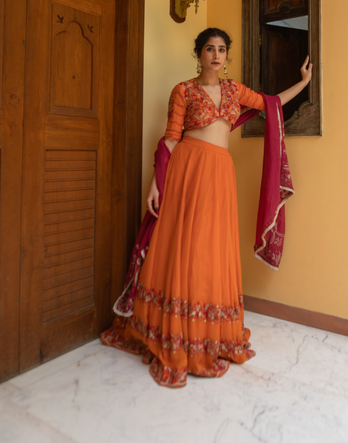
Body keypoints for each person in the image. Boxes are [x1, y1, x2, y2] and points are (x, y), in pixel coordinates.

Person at [101, 27, 312, 389]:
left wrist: (303, 84)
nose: (216, 55)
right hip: (187, 170)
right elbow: (170, 138)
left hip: (219, 173)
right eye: (210, 49)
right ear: (198, 54)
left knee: (211, 248)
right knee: (184, 246)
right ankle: (173, 328)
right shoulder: (182, 90)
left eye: (222, 49)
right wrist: (156, 182)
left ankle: (207, 329)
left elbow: (271, 103)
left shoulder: (234, 90)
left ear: (227, 56)